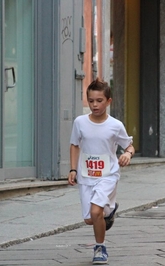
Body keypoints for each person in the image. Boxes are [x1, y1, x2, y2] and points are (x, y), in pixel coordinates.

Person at [67, 78, 134, 265]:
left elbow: (129, 145)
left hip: (108, 175)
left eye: (99, 101)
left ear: (108, 101)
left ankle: (100, 247)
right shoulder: (80, 122)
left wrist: (127, 154)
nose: (94, 105)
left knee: (96, 211)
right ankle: (108, 214)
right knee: (90, 219)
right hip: (86, 175)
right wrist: (73, 169)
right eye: (91, 101)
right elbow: (74, 145)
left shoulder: (115, 125)